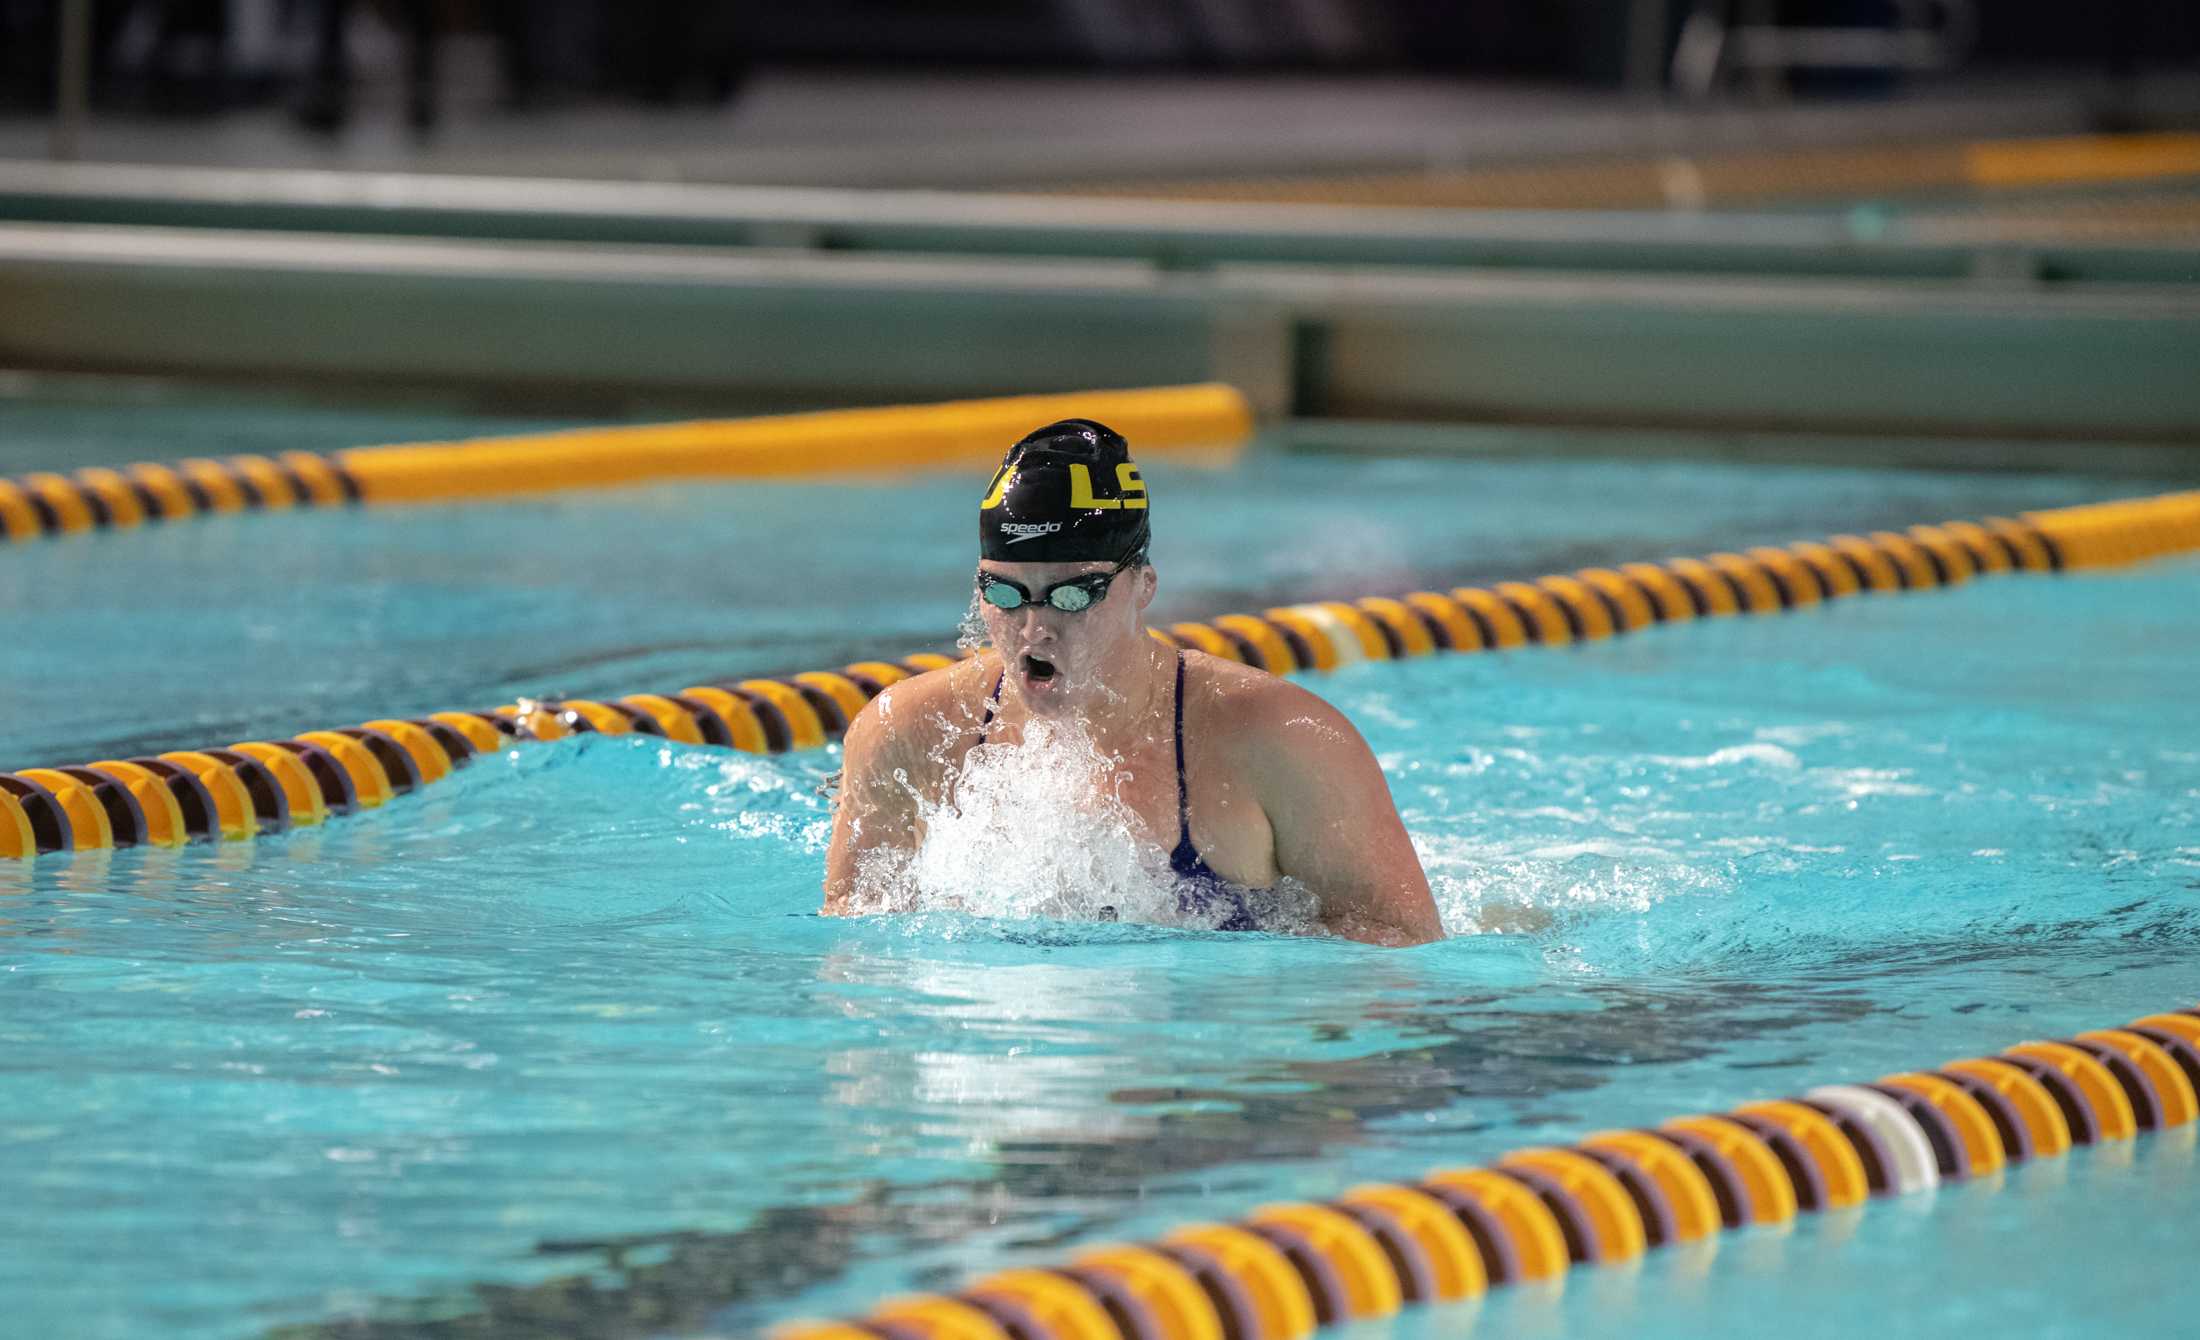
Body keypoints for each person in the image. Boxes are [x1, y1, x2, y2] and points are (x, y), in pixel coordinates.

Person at [822, 420, 1443, 947]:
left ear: (1143, 585)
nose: (1035, 628)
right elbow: (856, 953)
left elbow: (1399, 945)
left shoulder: (1281, 738)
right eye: (1005, 593)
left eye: (1074, 594)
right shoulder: (906, 731)